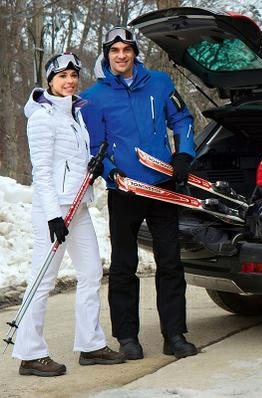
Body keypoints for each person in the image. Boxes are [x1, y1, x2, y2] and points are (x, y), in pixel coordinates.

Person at [80, 27, 198, 360]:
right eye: (114, 50)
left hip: (162, 188)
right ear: (107, 55)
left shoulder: (159, 83)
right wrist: (109, 172)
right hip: (125, 191)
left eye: (126, 50)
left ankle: (174, 335)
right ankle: (128, 337)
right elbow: (93, 146)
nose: (121, 56)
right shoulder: (95, 97)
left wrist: (184, 153)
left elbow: (183, 119)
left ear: (135, 53)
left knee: (171, 262)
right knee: (123, 266)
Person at [15, 52, 126, 377]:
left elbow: (71, 162)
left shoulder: (74, 114)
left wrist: (88, 172)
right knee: (43, 279)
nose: (69, 81)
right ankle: (30, 353)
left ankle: (90, 345)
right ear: (49, 80)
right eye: (62, 76)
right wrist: (52, 217)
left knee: (91, 271)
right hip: (54, 210)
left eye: (73, 75)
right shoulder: (42, 117)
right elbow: (43, 173)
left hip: (77, 207)